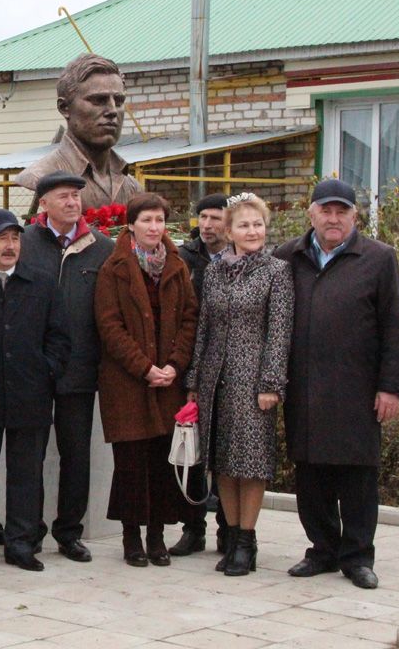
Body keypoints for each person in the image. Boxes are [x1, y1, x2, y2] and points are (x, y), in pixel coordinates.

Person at [274, 179, 399, 590]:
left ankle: (357, 556)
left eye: (342, 212)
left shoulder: (378, 259)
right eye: (326, 211)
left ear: (355, 216)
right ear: (311, 214)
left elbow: (395, 327)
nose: (334, 219)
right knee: (310, 475)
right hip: (304, 389)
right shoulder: (288, 257)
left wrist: (391, 386)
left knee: (357, 477)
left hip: (357, 389)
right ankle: (323, 549)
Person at [183, 193, 293, 576]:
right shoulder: (214, 272)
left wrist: (271, 382)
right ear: (229, 231)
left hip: (253, 382)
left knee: (252, 463)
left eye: (258, 224)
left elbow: (279, 333)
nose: (252, 231)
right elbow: (203, 328)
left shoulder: (276, 271)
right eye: (244, 225)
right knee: (222, 462)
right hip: (216, 379)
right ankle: (230, 537)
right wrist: (195, 378)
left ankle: (246, 540)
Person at [0, 209, 70, 573]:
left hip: (30, 392)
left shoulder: (41, 283)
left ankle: (22, 543)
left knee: (27, 472)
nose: (10, 245)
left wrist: (46, 370)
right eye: (2, 238)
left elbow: (59, 337)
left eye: (15, 238)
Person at [94, 192, 198, 567]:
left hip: (167, 381)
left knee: (161, 462)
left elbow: (189, 318)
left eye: (159, 220)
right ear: (131, 225)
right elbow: (109, 325)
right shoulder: (114, 268)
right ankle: (131, 538)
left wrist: (174, 364)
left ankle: (157, 536)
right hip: (127, 382)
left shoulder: (177, 264)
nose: (154, 227)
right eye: (146, 220)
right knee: (131, 464)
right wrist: (144, 367)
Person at [20, 171, 115, 563]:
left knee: (77, 455)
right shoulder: (24, 244)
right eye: (63, 196)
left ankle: (69, 532)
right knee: (33, 453)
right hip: (34, 369)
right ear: (44, 203)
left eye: (76, 195)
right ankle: (29, 531)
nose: (73, 202)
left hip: (80, 367)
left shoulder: (102, 247)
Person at [173, 192, 230, 557]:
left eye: (215, 218)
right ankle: (192, 528)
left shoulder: (245, 258)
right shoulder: (184, 258)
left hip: (229, 367)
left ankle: (230, 529)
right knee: (190, 449)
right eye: (202, 218)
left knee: (225, 451)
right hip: (190, 363)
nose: (207, 225)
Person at [15, 53, 144, 209]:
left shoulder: (132, 187)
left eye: (118, 101)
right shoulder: (40, 175)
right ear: (65, 108)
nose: (112, 111)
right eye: (98, 100)